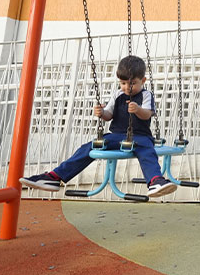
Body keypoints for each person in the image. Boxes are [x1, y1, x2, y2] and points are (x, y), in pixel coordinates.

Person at [20, 55, 177, 197]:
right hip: (116, 136)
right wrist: (101, 113)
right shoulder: (118, 95)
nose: (127, 88)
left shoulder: (146, 95)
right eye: (123, 83)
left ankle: (155, 181)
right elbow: (109, 115)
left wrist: (138, 110)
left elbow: (147, 114)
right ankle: (54, 177)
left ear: (143, 80)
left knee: (147, 152)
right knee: (88, 147)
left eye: (132, 83)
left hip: (140, 136)